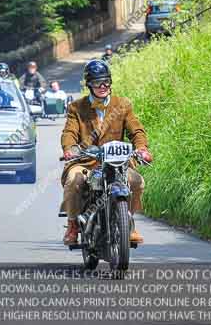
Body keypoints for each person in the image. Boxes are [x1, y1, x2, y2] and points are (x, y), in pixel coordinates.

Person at [60, 59, 153, 246]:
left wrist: (141, 148)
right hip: (86, 161)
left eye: (106, 82)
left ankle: (129, 222)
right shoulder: (76, 107)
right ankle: (72, 225)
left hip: (117, 162)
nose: (102, 86)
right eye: (97, 82)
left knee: (137, 182)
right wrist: (70, 149)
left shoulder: (123, 104)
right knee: (73, 181)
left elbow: (136, 130)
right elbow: (69, 132)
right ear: (89, 84)